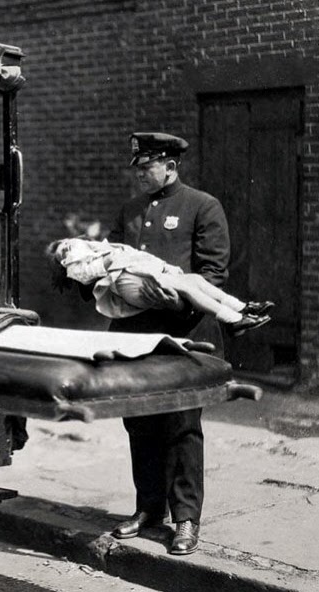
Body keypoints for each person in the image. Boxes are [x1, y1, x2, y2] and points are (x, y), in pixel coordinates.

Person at [96, 132, 229, 555]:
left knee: (181, 425)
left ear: (170, 166)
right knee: (139, 421)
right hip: (136, 337)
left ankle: (186, 518)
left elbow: (213, 274)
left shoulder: (202, 206)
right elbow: (110, 262)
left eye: (146, 167)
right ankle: (149, 508)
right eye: (136, 168)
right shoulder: (130, 210)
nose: (139, 175)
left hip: (185, 338)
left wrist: (175, 297)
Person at [46, 237, 273, 336]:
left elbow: (134, 255)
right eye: (63, 252)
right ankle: (232, 320)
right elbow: (91, 272)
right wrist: (109, 257)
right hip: (125, 279)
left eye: (65, 243)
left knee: (194, 280)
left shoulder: (95, 247)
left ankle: (241, 308)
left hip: (135, 272)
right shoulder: (75, 265)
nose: (67, 247)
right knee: (186, 287)